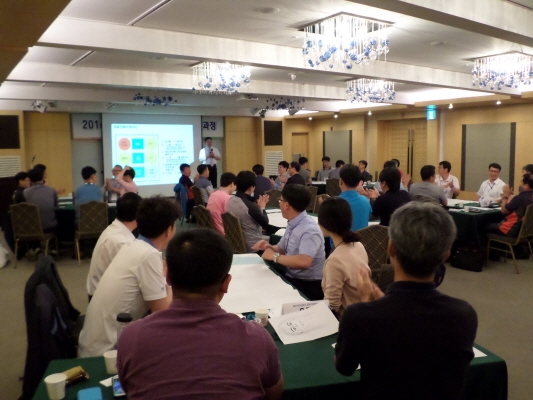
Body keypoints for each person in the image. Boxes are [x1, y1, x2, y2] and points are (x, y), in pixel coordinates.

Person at [117, 228, 284, 399]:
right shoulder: (258, 339)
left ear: (167, 278)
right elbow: (273, 392)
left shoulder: (131, 337)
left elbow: (127, 388)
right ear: (226, 283)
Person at [335, 202, 478, 399]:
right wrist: (379, 302)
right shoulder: (464, 315)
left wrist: (367, 302)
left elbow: (344, 367)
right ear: (445, 256)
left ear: (391, 248)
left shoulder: (361, 316)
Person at [78, 197, 177, 357]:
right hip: (105, 355)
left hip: (94, 342)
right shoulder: (148, 255)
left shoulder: (133, 246)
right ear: (169, 230)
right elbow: (163, 313)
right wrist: (169, 282)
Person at [253, 184, 325, 300]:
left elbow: (304, 261)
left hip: (308, 285)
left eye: (280, 200)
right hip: (292, 277)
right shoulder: (293, 222)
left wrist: (275, 257)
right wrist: (269, 247)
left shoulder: (309, 230)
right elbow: (282, 248)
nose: (279, 203)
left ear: (286, 205)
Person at [318, 197, 370, 316]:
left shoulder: (335, 260)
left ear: (325, 224)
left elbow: (332, 305)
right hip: (362, 312)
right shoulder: (359, 245)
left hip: (346, 319)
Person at [86, 192, 142, 300]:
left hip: (103, 292)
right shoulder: (119, 241)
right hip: (104, 298)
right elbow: (134, 277)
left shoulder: (115, 230)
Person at [227, 171, 271, 252]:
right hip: (254, 246)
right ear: (251, 188)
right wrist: (262, 207)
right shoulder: (249, 206)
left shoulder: (229, 201)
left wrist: (257, 208)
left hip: (236, 244)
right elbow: (265, 223)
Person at [23, 167, 58, 233]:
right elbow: (56, 206)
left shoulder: (25, 192)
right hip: (49, 227)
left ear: (30, 179)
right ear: (42, 177)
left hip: (33, 228)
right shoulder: (51, 190)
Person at [338, 164, 371, 231]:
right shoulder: (365, 201)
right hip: (361, 237)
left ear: (341, 181)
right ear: (359, 182)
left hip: (341, 238)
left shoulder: (334, 203)